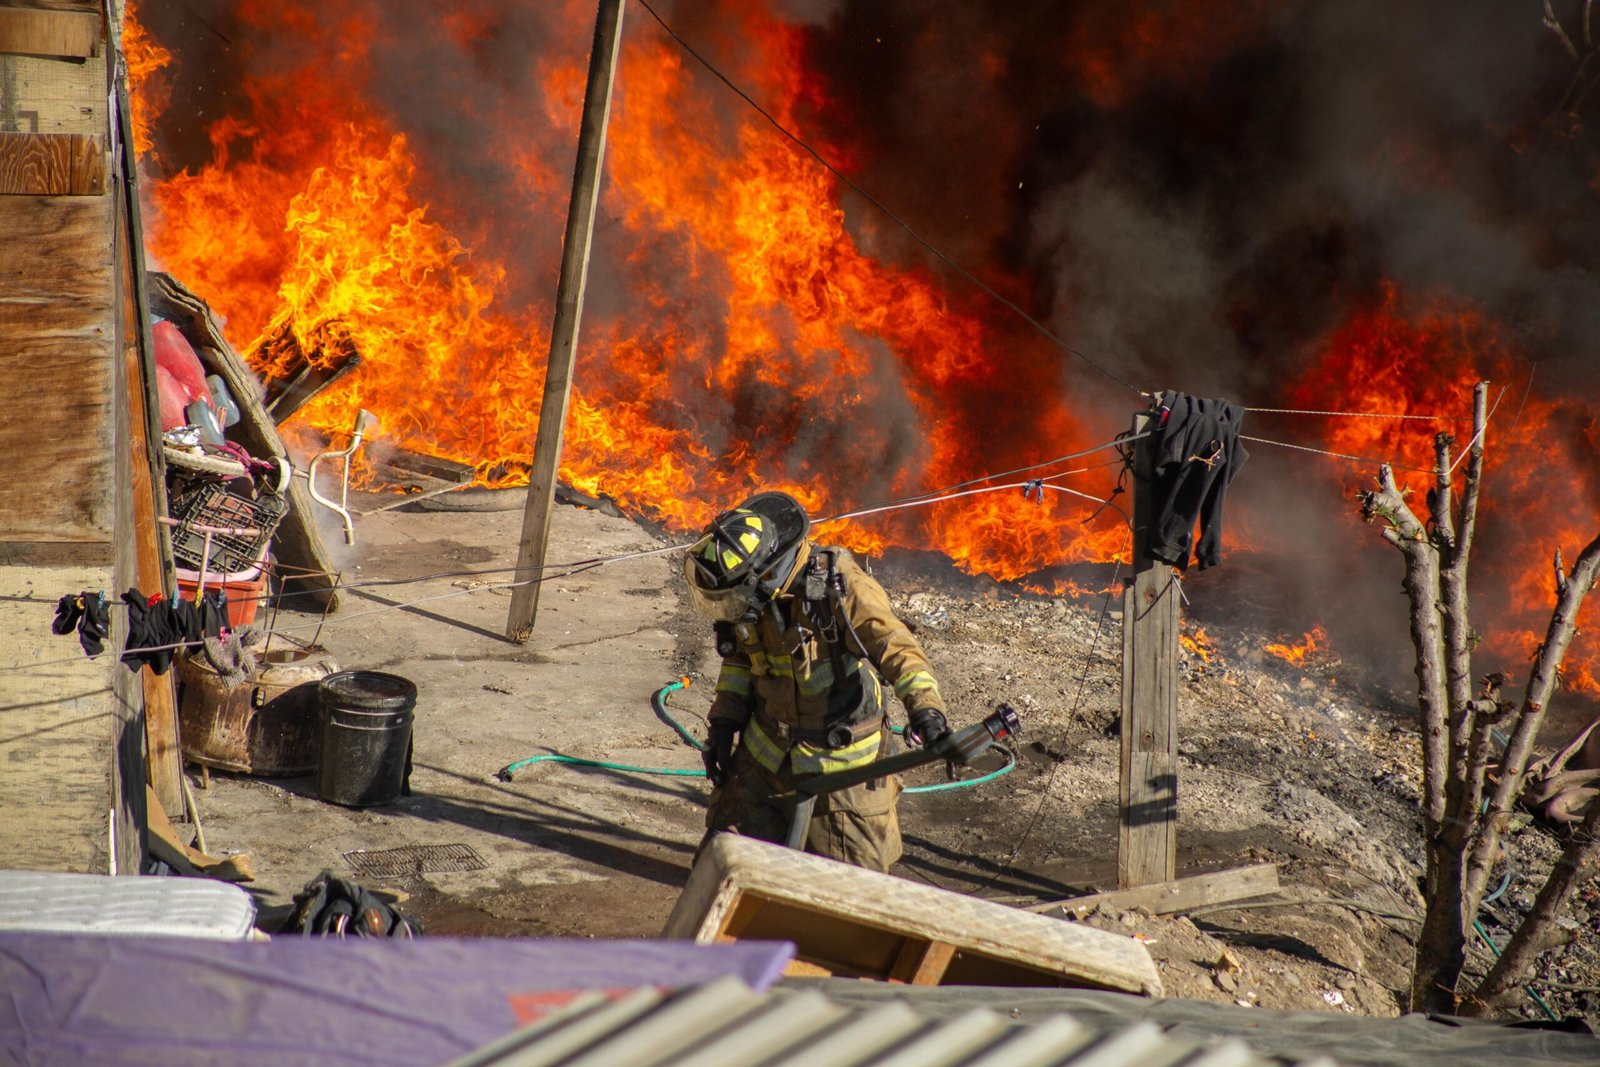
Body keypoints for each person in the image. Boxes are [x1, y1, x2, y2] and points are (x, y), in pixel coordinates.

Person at [684, 490, 951, 871]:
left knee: (848, 898)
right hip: (765, 762)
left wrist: (927, 709)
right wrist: (724, 723)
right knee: (720, 872)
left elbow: (898, 649)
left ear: (765, 574)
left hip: (840, 773)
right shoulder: (748, 594)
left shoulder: (840, 587)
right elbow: (742, 659)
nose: (731, 610)